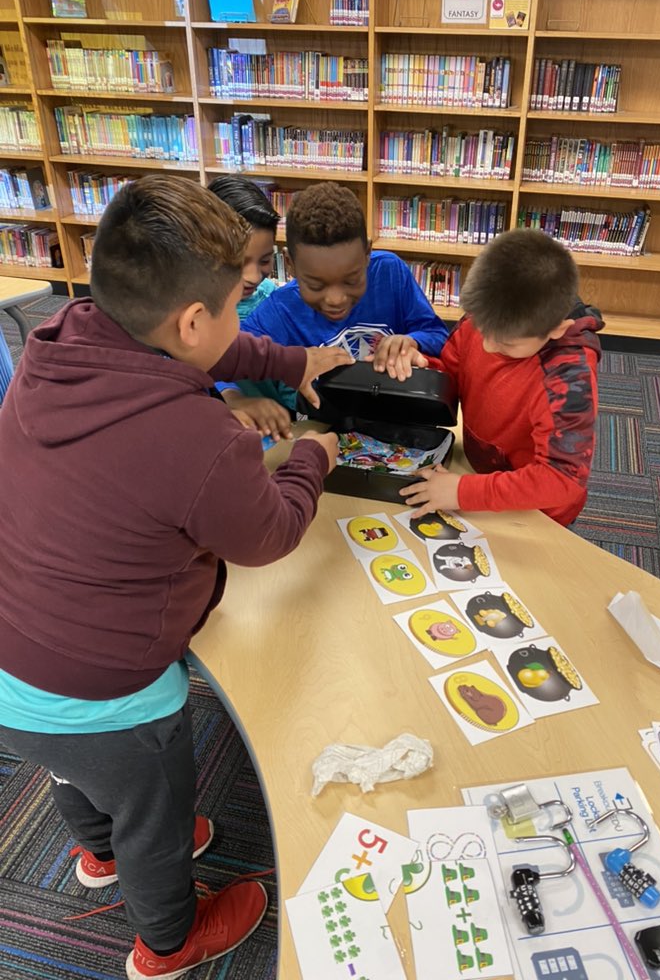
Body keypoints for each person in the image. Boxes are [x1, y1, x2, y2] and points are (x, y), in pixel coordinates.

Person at [0, 176, 351, 980]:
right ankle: (167, 943)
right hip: (111, 696)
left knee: (73, 773)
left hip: (13, 664)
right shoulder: (199, 438)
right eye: (237, 304)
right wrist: (311, 458)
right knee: (154, 821)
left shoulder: (63, 336)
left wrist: (294, 359)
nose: (242, 320)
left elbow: (217, 347)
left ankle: (97, 852)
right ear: (194, 320)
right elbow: (268, 535)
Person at [400, 229, 604, 527]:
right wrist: (421, 367)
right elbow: (453, 374)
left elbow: (561, 479)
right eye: (482, 331)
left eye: (506, 344)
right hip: (478, 475)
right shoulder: (488, 316)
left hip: (536, 510)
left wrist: (463, 492)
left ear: (557, 330)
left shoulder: (568, 377)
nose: (487, 346)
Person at [218, 181, 449, 421]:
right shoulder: (279, 311)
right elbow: (221, 355)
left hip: (401, 419)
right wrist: (234, 398)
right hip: (330, 428)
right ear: (290, 265)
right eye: (316, 285)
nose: (336, 300)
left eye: (351, 280)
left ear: (367, 253)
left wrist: (412, 341)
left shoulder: (390, 272)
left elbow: (437, 334)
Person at [207, 175, 295, 438]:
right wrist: (232, 397)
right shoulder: (190, 311)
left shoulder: (274, 301)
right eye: (239, 262)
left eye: (265, 260)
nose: (253, 276)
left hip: (275, 433)